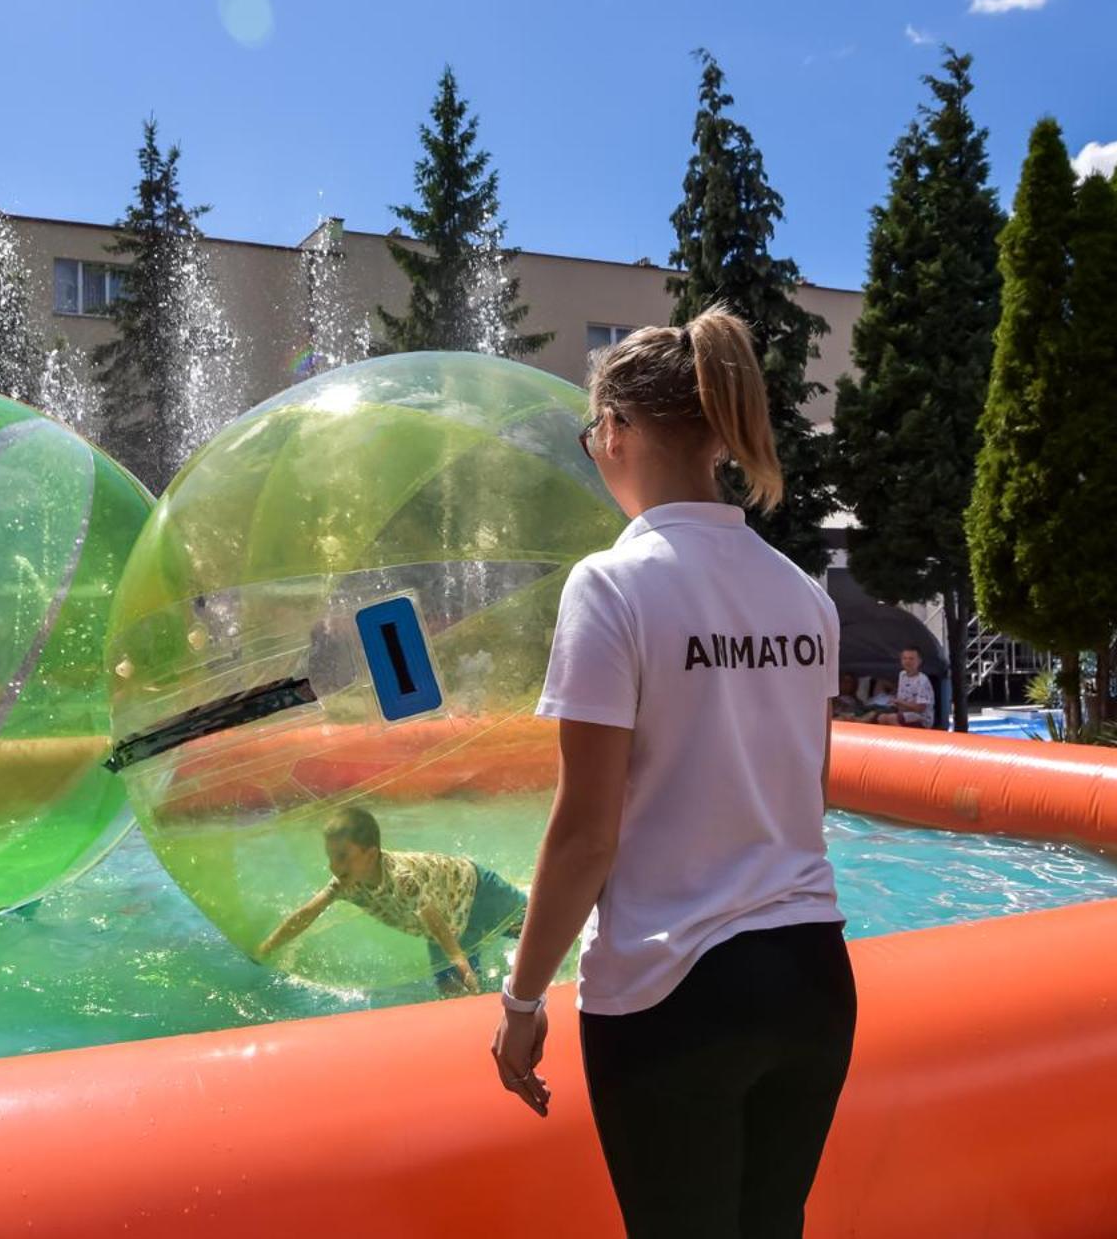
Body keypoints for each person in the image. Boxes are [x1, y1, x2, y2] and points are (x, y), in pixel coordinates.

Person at [490, 307, 856, 1238]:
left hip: (676, 993)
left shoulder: (611, 586)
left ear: (617, 430)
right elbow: (807, 794)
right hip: (812, 977)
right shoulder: (804, 595)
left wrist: (523, 998)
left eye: (592, 435)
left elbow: (587, 829)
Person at [255, 807, 526, 995]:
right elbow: (307, 914)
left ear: (371, 855)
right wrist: (268, 945)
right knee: (455, 995)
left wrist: (460, 961)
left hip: (477, 891)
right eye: (331, 857)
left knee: (538, 931)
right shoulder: (347, 883)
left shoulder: (401, 879)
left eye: (342, 857)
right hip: (450, 925)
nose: (333, 866)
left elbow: (431, 917)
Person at [864, 648, 935, 728]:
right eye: (905, 658)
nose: (908, 662)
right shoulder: (902, 675)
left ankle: (904, 738)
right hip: (903, 712)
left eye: (911, 659)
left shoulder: (922, 680)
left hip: (921, 717)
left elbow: (920, 708)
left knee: (892, 718)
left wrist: (900, 702)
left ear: (919, 661)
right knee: (881, 718)